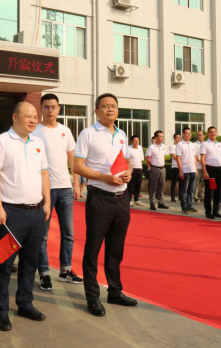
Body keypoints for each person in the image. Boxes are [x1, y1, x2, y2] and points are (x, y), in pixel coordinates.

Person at [0, 102, 51, 331]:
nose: (33, 120)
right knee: (4, 264)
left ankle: (25, 303)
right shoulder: (1, 141)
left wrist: (47, 202)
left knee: (30, 262)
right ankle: (0, 311)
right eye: (28, 116)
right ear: (15, 117)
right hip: (10, 215)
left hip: (36, 213)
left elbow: (44, 174)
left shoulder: (38, 142)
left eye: (35, 116)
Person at [74, 93, 137, 317]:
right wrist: (104, 178)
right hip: (100, 198)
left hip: (122, 198)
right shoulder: (88, 134)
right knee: (93, 249)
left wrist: (129, 172)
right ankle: (92, 297)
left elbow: (127, 161)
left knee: (116, 249)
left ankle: (115, 291)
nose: (110, 109)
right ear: (96, 111)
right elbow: (78, 166)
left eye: (113, 106)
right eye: (105, 106)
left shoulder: (121, 134)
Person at [34, 93, 82, 291]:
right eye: (46, 107)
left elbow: (73, 160)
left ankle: (65, 270)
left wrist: (76, 184)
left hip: (65, 188)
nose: (50, 110)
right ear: (41, 109)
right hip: (44, 190)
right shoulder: (35, 131)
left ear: (59, 109)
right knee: (43, 234)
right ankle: (44, 273)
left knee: (68, 232)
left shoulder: (65, 130)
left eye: (53, 107)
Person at [200, 126, 221, 219]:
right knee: (209, 191)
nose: (213, 133)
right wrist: (205, 171)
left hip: (219, 169)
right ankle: (208, 211)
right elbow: (202, 159)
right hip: (210, 169)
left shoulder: (220, 145)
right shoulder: (205, 144)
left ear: (217, 133)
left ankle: (216, 210)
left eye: (214, 132)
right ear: (208, 133)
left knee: (217, 191)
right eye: (211, 132)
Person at [176, 127, 198, 215]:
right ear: (183, 134)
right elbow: (178, 158)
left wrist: (196, 169)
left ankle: (190, 206)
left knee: (191, 189)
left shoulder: (192, 144)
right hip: (185, 170)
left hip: (193, 170)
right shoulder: (180, 144)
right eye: (187, 133)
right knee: (184, 190)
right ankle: (184, 207)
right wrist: (180, 170)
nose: (189, 135)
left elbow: (195, 157)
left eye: (190, 133)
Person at [145, 130, 168, 211]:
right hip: (155, 168)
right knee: (153, 187)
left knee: (161, 186)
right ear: (156, 137)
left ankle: (161, 202)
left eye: (162, 136)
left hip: (163, 168)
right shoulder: (151, 147)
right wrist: (151, 166)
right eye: (160, 136)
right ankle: (152, 203)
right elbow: (148, 158)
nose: (162, 138)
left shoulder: (164, 146)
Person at [127, 135, 145, 207]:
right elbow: (127, 160)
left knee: (138, 184)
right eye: (135, 140)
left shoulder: (140, 148)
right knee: (130, 185)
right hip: (132, 169)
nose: (136, 142)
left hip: (139, 168)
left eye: (138, 140)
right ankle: (129, 200)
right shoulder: (128, 149)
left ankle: (136, 199)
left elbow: (141, 159)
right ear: (132, 141)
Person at [193, 130, 205, 203]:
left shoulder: (206, 144)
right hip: (197, 166)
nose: (199, 136)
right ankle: (195, 197)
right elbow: (194, 155)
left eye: (201, 135)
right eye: (198, 135)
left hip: (205, 167)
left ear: (204, 136)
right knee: (196, 183)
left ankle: (202, 197)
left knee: (204, 183)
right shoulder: (194, 144)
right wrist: (200, 161)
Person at [169, 134, 181, 202]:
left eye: (179, 137)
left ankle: (181, 197)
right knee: (174, 183)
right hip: (175, 166)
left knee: (182, 183)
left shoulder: (181, 146)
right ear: (174, 138)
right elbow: (174, 156)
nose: (178, 139)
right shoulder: (172, 146)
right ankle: (172, 197)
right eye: (177, 137)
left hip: (182, 167)